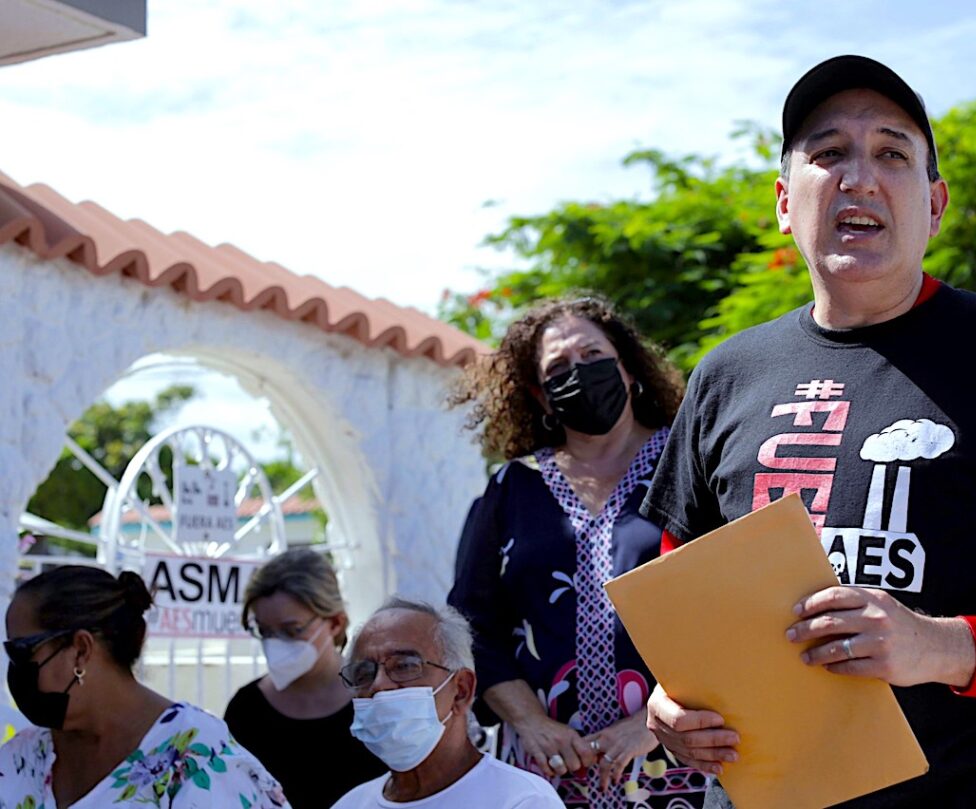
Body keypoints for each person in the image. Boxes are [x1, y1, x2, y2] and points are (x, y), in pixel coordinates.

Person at [640, 55, 976, 808]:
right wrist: (670, 705)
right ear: (784, 201)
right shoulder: (725, 374)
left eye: (892, 153)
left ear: (934, 205)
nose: (859, 176)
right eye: (830, 152)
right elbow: (680, 612)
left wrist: (941, 646)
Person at [447, 296, 706, 808]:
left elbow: (735, 606)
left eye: (592, 356)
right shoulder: (513, 489)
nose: (579, 373)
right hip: (544, 772)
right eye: (559, 368)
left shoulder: (691, 464)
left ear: (630, 371)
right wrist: (529, 722)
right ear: (542, 398)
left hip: (678, 758)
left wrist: (648, 724)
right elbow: (471, 624)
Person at [0, 565, 289, 808]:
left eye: (22, 653)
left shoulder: (199, 762)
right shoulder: (25, 757)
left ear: (81, 649)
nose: (15, 671)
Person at [331, 597, 562, 808]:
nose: (378, 685)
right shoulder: (351, 804)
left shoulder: (521, 800)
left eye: (404, 666)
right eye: (363, 674)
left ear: (461, 690)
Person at [225, 548, 387, 809]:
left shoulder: (378, 698)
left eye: (291, 630)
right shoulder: (246, 710)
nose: (275, 643)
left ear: (335, 623)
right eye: (264, 631)